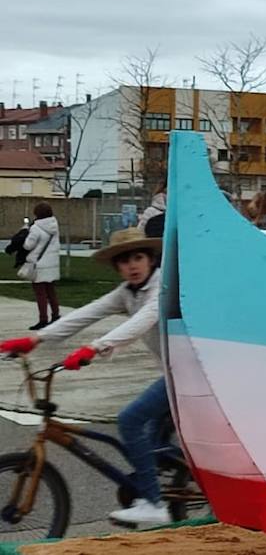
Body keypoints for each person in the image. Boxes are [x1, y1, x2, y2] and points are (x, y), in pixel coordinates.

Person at [1, 228, 170, 524]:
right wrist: (36, 340)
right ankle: (159, 489)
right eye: (123, 261)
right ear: (116, 267)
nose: (131, 265)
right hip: (171, 372)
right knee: (150, 445)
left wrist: (95, 347)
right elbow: (86, 314)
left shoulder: (162, 287)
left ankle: (155, 503)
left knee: (130, 420)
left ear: (151, 259)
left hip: (188, 375)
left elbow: (144, 321)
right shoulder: (126, 293)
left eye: (138, 257)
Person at [23, 203, 61, 330]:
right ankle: (55, 315)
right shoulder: (54, 226)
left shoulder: (36, 228)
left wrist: (25, 232)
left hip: (39, 264)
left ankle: (43, 319)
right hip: (52, 263)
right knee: (51, 291)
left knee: (40, 294)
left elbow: (28, 245)